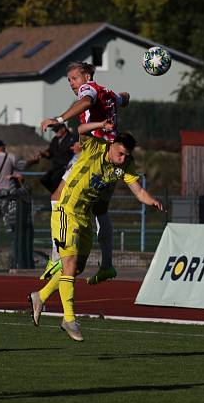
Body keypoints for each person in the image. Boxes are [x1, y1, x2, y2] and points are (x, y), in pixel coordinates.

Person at [28, 125, 163, 342]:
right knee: (69, 263)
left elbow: (138, 190)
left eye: (125, 156)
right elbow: (81, 128)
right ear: (111, 145)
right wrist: (100, 126)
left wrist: (152, 200)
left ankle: (40, 296)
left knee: (77, 267)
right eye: (119, 153)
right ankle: (68, 319)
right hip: (66, 210)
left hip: (84, 216)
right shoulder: (94, 148)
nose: (121, 159)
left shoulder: (124, 166)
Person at [39, 61, 131, 285]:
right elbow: (125, 98)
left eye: (75, 78)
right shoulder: (107, 92)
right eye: (69, 80)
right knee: (100, 209)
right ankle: (107, 264)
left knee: (58, 198)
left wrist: (59, 119)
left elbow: (87, 100)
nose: (72, 84)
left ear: (87, 75)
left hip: (92, 155)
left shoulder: (88, 90)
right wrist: (120, 97)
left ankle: (56, 257)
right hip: (111, 156)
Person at [0, 139, 29, 246]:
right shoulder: (11, 157)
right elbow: (23, 166)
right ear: (2, 147)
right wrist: (34, 160)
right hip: (9, 194)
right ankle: (14, 245)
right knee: (10, 220)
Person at [35, 123, 78, 195]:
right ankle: (57, 195)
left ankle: (60, 195)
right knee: (45, 180)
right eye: (54, 130)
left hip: (68, 167)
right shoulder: (55, 140)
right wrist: (44, 154)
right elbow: (50, 152)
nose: (55, 132)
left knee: (55, 179)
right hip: (56, 167)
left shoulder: (73, 138)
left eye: (57, 130)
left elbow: (77, 151)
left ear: (63, 129)